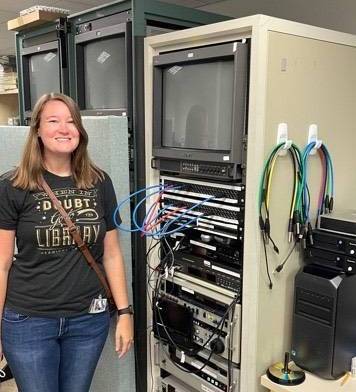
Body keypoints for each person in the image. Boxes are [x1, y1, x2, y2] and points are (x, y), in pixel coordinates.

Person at [0, 93, 133, 392]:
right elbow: (2, 264)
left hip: (88, 321)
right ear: (37, 130)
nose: (64, 128)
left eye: (71, 121)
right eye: (53, 120)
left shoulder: (99, 181)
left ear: (80, 131)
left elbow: (111, 255)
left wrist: (125, 313)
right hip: (28, 321)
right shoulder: (13, 186)